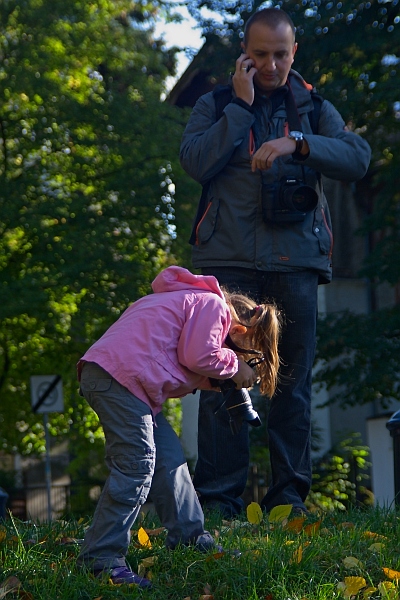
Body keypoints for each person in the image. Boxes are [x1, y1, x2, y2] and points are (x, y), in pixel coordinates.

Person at [180, 7, 371, 518]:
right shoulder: (216, 103)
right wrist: (239, 111)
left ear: (294, 52)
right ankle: (219, 504)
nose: (270, 65)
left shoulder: (313, 108)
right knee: (223, 378)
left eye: (280, 55)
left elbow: (357, 159)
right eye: (260, 54)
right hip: (229, 263)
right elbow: (195, 161)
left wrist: (298, 143)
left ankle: (289, 501)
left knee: (292, 383)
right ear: (245, 52)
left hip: (296, 263)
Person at [76, 265, 281, 588]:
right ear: (239, 332)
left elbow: (179, 359)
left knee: (169, 460)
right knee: (137, 465)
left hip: (121, 380)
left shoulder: (188, 300)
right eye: (245, 354)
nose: (239, 359)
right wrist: (233, 366)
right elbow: (199, 355)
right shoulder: (212, 306)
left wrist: (221, 378)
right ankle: (100, 559)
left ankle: (190, 537)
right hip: (120, 381)